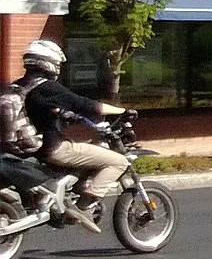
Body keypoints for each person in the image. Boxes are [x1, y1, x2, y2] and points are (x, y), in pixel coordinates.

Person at [15, 39, 129, 233]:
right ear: (48, 63)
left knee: (86, 150)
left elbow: (41, 112)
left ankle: (71, 191)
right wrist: (122, 110)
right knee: (118, 161)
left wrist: (63, 115)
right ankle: (82, 207)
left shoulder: (18, 86)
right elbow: (85, 105)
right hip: (53, 149)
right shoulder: (48, 88)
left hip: (27, 149)